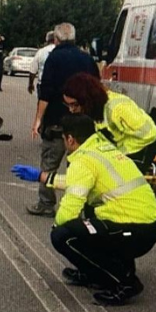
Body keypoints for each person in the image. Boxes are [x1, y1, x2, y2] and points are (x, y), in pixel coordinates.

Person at [11, 114, 156, 306]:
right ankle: (95, 272)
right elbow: (79, 182)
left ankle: (125, 283)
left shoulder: (83, 161)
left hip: (134, 230)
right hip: (146, 225)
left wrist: (58, 228)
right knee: (88, 220)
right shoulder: (101, 148)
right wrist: (42, 177)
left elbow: (72, 204)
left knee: (64, 237)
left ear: (70, 139)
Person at [28, 23, 99, 216]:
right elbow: (97, 87)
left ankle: (45, 204)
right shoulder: (87, 59)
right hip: (83, 123)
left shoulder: (54, 57)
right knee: (78, 166)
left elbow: (47, 92)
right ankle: (77, 205)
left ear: (56, 40)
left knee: (50, 162)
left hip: (56, 122)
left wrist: (38, 120)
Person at [63, 73, 156, 169]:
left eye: (74, 104)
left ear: (86, 99)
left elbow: (149, 134)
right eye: (68, 105)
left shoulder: (118, 108)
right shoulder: (96, 108)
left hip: (143, 147)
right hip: (128, 147)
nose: (71, 110)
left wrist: (119, 152)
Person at [27, 31, 56, 97]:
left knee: (42, 105)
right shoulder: (62, 51)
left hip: (43, 84)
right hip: (58, 85)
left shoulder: (41, 52)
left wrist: (30, 84)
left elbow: (33, 70)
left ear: (47, 40)